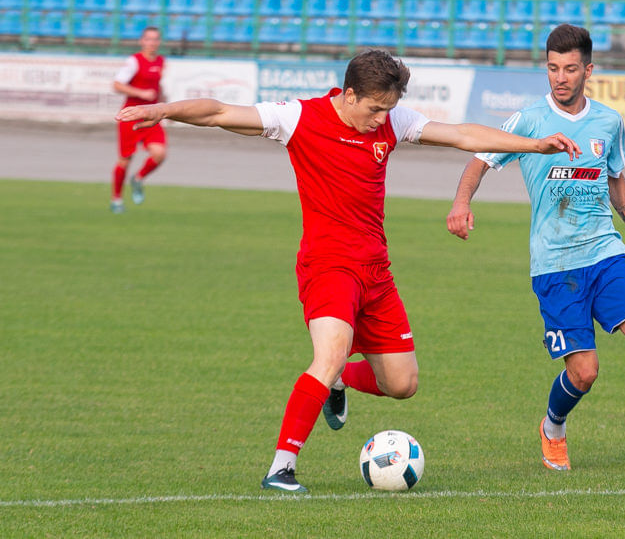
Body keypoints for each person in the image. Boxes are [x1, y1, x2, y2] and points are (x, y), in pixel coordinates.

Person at [116, 49, 578, 492]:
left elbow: (461, 134)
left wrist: (533, 145)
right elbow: (218, 111)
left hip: (376, 269)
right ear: (349, 94)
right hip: (327, 264)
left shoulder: (392, 119)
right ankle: (282, 467)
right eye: (376, 109)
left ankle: (338, 382)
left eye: (389, 110)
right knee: (330, 351)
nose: (383, 119)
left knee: (402, 384)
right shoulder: (297, 118)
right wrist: (163, 109)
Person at [446, 25, 625, 470]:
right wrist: (461, 202)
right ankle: (552, 427)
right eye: (552, 68)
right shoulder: (528, 120)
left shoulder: (608, 121)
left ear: (588, 70)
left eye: (568, 69)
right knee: (584, 373)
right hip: (555, 264)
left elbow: (615, 176)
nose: (559, 78)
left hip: (605, 250)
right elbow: (480, 157)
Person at [111, 26, 167, 214]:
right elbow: (117, 85)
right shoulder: (134, 61)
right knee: (125, 160)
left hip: (151, 115)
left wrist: (167, 106)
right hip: (131, 116)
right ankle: (116, 199)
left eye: (155, 39)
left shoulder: (161, 61)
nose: (152, 43)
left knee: (159, 154)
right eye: (148, 39)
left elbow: (156, 86)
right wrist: (140, 92)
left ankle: (138, 178)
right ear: (142, 41)